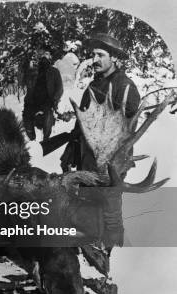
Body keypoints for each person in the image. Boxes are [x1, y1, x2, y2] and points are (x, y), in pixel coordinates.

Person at [61, 33, 140, 246]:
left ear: (114, 58)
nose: (94, 60)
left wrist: (112, 168)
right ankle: (92, 256)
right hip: (87, 162)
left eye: (100, 55)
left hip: (109, 168)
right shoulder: (93, 86)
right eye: (93, 55)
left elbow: (127, 132)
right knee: (86, 214)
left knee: (109, 220)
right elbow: (82, 127)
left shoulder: (125, 87)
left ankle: (107, 263)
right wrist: (70, 151)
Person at [22, 47, 63, 141]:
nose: (44, 57)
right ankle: (33, 141)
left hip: (48, 101)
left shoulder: (54, 72)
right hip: (33, 102)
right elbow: (27, 85)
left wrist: (54, 101)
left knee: (48, 117)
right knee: (26, 117)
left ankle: (46, 140)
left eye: (47, 54)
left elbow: (60, 89)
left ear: (50, 58)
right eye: (42, 55)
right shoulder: (33, 71)